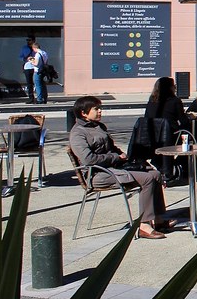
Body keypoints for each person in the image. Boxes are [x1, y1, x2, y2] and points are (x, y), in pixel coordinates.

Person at [69, 95, 171, 239]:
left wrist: (122, 155)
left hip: (114, 168)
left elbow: (111, 147)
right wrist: (115, 157)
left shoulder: (98, 126)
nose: (100, 112)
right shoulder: (78, 133)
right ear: (83, 113)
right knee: (147, 179)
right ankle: (144, 225)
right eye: (96, 109)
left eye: (100, 108)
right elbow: (88, 159)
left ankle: (160, 218)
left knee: (155, 174)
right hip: (98, 174)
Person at [134, 76, 189, 177]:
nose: (175, 88)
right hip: (171, 136)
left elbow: (146, 118)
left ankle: (159, 162)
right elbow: (184, 121)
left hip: (151, 136)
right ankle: (185, 169)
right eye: (174, 86)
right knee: (189, 138)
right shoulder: (175, 101)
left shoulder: (152, 100)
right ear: (170, 88)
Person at [19, 37, 36, 104]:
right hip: (28, 67)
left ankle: (40, 97)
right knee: (29, 83)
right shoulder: (24, 48)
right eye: (27, 40)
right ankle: (31, 98)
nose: (28, 41)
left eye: (30, 40)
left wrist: (34, 58)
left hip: (35, 67)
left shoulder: (36, 48)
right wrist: (25, 59)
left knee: (37, 82)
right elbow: (20, 57)